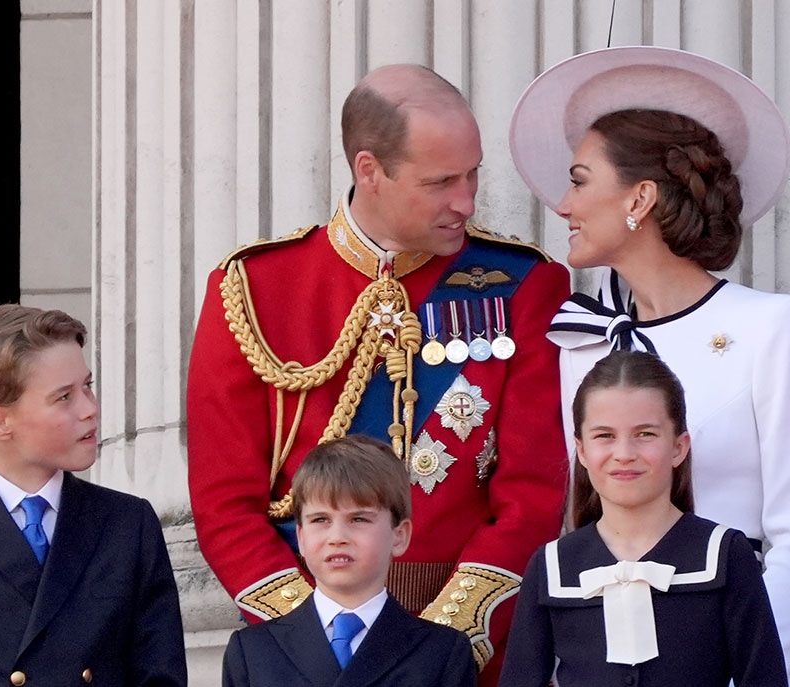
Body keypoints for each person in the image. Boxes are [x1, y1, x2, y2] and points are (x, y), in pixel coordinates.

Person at [187, 63, 570, 682]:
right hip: (307, 655)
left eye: (474, 174)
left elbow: (531, 496)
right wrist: (313, 636)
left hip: (470, 658)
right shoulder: (255, 288)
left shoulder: (523, 283)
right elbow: (225, 504)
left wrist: (432, 649)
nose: (466, 201)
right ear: (370, 170)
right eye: (441, 181)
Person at [509, 46, 790, 686]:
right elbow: (579, 524)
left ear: (641, 197)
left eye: (579, 179)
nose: (563, 207)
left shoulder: (771, 325)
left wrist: (752, 671)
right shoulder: (582, 343)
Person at [0, 304, 186, 687]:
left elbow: (159, 677)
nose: (91, 410)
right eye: (64, 397)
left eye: (88, 386)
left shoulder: (129, 523)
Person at [499, 350, 787, 686]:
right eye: (604, 436)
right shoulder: (552, 565)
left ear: (679, 447)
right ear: (581, 450)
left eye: (645, 434)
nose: (624, 454)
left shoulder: (724, 555)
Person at [222, 435, 477, 687]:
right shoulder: (253, 651)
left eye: (358, 519)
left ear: (399, 536)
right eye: (320, 520)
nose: (337, 538)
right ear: (300, 537)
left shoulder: (442, 653)